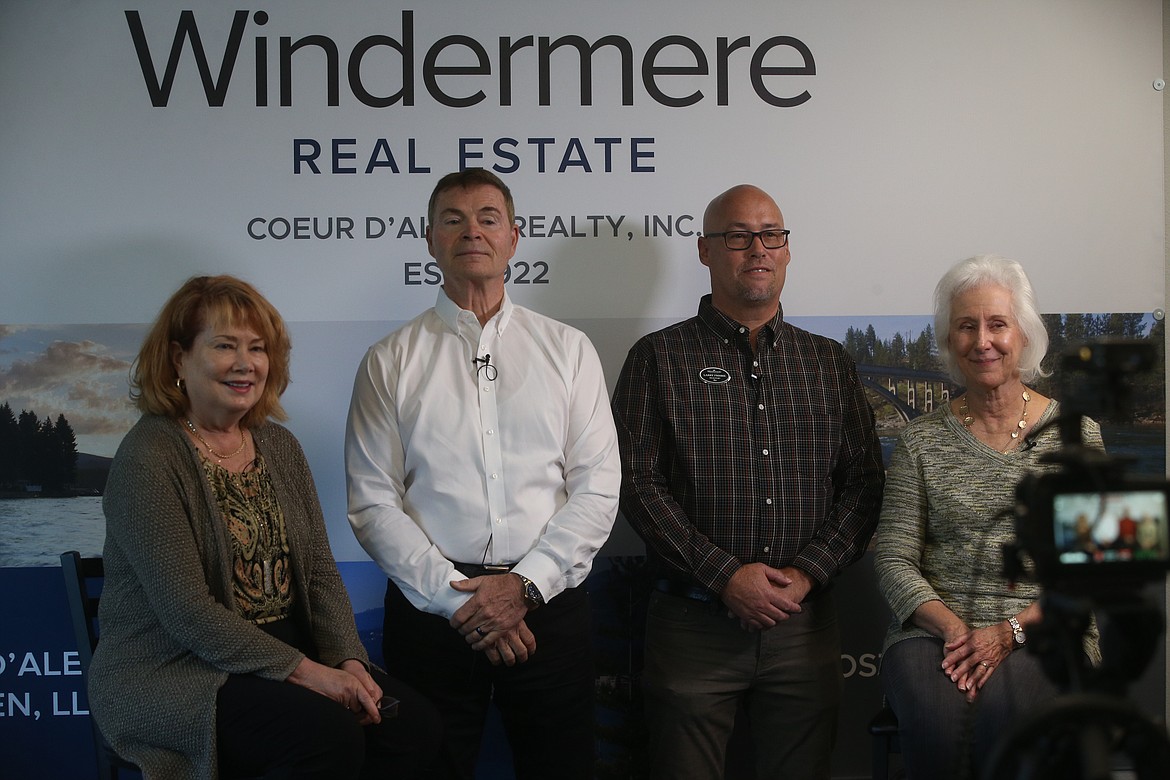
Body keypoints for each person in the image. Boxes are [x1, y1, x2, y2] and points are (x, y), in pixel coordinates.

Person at [88, 275, 440, 780]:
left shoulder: (278, 446)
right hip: (178, 668)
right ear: (177, 358)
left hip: (283, 652)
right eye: (225, 345)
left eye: (258, 348)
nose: (245, 363)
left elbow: (319, 572)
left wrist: (347, 662)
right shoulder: (149, 458)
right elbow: (189, 615)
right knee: (328, 737)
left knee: (412, 728)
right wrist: (312, 676)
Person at [345, 169, 621, 780]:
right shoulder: (390, 360)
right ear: (429, 239)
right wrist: (457, 601)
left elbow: (598, 490)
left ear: (514, 238)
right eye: (453, 218)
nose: (472, 230)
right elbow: (372, 504)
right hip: (432, 615)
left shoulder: (569, 350)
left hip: (548, 604)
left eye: (488, 217)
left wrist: (522, 589)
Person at [611, 184, 886, 779]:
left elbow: (863, 485)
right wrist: (724, 576)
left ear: (786, 250)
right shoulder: (657, 358)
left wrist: (809, 572)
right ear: (706, 251)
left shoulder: (829, 363)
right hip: (691, 628)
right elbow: (637, 483)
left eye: (771, 235)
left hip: (803, 627)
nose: (757, 248)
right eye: (737, 236)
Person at [873, 254, 1103, 779]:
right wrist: (958, 630)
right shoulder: (919, 441)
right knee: (938, 720)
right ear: (950, 341)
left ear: (1023, 334)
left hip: (1044, 631)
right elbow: (893, 559)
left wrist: (1009, 631)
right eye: (966, 326)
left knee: (1007, 711)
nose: (983, 340)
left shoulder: (1079, 436)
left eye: (997, 324)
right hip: (934, 635)